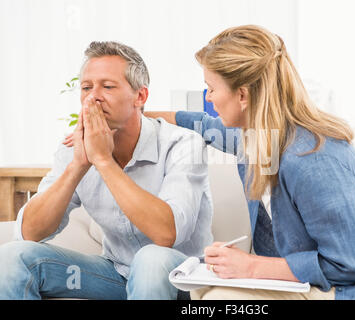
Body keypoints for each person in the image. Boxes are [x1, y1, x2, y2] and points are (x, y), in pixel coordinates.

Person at [145, 25, 355, 300]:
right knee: (208, 288)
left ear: (243, 95)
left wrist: (250, 266)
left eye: (211, 88)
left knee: (224, 300)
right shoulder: (257, 137)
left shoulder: (313, 160)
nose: (209, 97)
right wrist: (137, 117)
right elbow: (201, 124)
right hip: (322, 283)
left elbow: (346, 264)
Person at [0, 41, 213, 300]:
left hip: (180, 277)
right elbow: (28, 233)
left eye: (108, 86)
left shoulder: (183, 144)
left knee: (151, 259)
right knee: (11, 256)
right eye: (87, 87)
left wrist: (103, 161)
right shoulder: (75, 148)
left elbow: (166, 233)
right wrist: (78, 165)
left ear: (140, 96)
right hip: (114, 274)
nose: (92, 97)